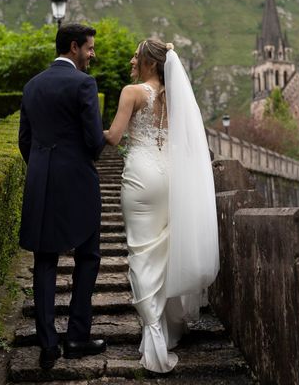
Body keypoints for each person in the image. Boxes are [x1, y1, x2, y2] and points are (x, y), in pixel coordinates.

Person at [104, 39, 219, 373]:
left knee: (141, 251)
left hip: (142, 175)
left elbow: (113, 136)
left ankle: (153, 336)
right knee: (166, 251)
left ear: (151, 64)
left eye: (136, 55)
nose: (131, 59)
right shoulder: (176, 99)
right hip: (172, 179)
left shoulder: (132, 92)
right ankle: (167, 332)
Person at [18, 23, 107, 370]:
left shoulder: (32, 85)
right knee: (88, 256)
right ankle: (76, 337)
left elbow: (25, 140)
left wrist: (42, 166)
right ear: (74, 47)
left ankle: (48, 345)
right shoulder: (84, 84)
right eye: (90, 48)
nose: (92, 54)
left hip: (40, 180)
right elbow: (94, 143)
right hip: (79, 182)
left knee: (45, 259)